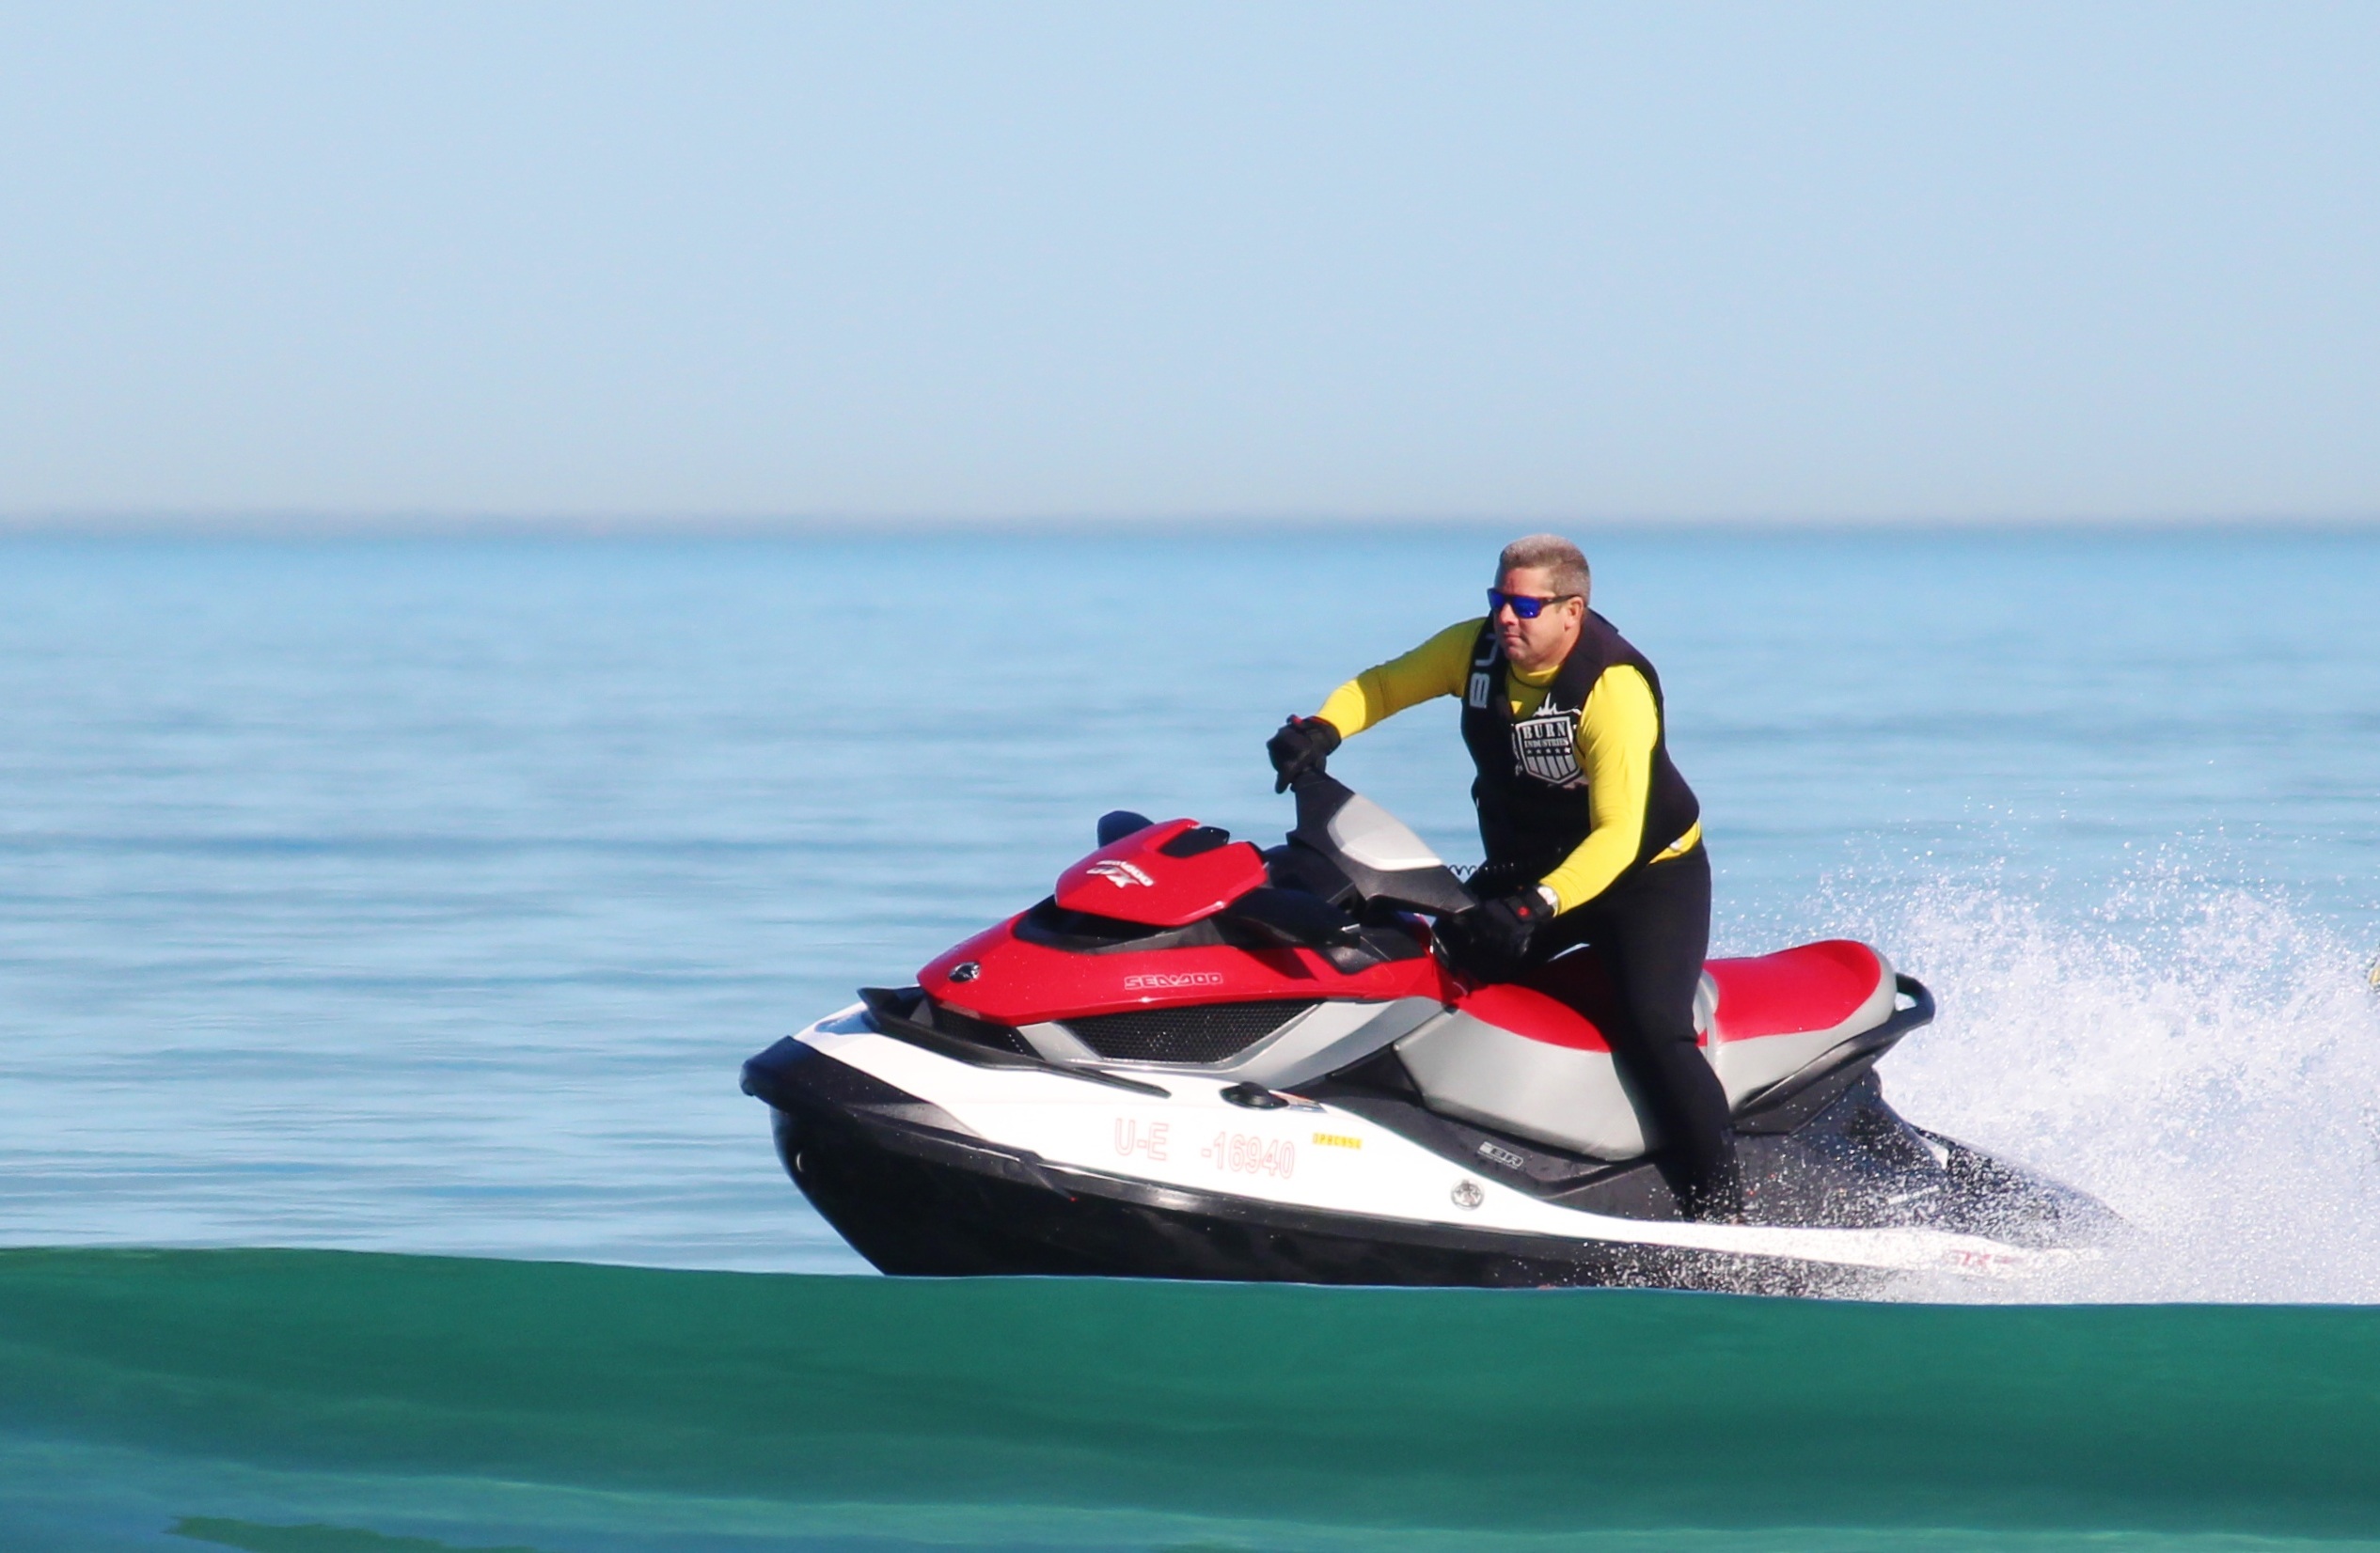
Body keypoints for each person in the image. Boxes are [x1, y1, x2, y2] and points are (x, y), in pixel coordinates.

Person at [1266, 534, 1742, 1219]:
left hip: (1645, 880)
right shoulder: (1474, 650)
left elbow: (1617, 838)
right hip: (1529, 876)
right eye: (1497, 600)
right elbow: (1383, 685)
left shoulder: (1612, 686)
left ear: (1571, 611)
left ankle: (1721, 1210)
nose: (1505, 618)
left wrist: (1536, 906)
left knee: (1651, 1025)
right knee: (1426, 965)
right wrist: (1321, 729)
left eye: (1524, 604)